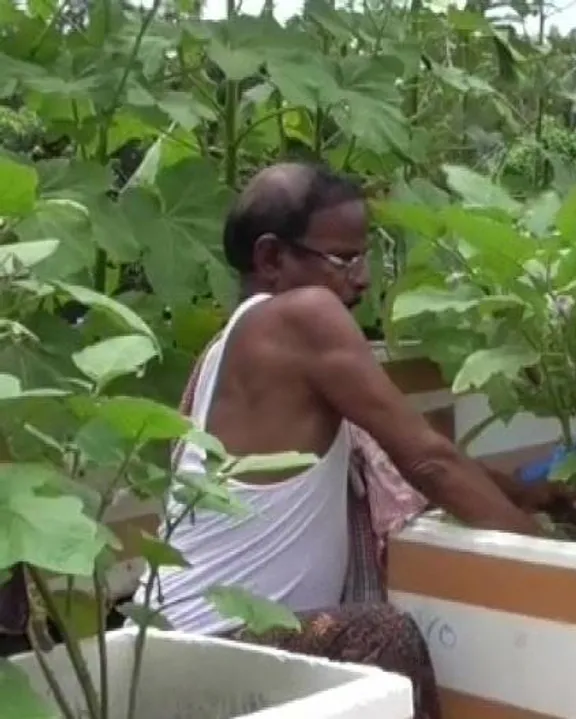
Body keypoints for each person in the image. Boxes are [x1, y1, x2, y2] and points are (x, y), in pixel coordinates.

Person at [135, 162, 553, 719]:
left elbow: (418, 452)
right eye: (343, 259)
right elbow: (427, 462)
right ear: (271, 258)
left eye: (365, 256)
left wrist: (525, 495)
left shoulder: (236, 341)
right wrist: (562, 565)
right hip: (210, 654)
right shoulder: (302, 318)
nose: (363, 279)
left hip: (167, 652)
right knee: (384, 636)